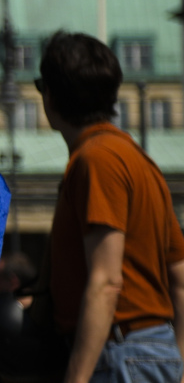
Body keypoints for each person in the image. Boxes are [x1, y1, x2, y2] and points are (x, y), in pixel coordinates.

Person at [38, 31, 184, 382]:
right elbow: (179, 277)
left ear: (52, 97)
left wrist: (76, 377)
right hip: (150, 351)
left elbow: (106, 283)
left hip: (120, 353)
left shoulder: (96, 160)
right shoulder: (137, 159)